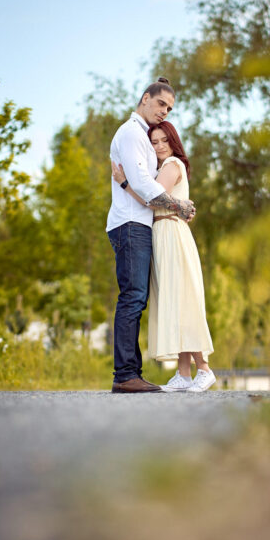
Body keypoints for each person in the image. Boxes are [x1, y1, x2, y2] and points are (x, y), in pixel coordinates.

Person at [107, 78, 196, 394]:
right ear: (145, 99)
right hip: (130, 224)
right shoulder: (131, 133)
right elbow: (144, 185)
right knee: (132, 297)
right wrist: (178, 204)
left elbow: (143, 184)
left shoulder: (143, 137)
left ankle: (131, 372)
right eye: (161, 104)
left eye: (170, 108)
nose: (165, 111)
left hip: (139, 224)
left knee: (137, 297)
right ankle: (126, 375)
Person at [113, 121, 216, 392]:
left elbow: (151, 199)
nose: (159, 146)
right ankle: (183, 374)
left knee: (184, 301)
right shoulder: (161, 167)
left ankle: (203, 369)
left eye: (163, 141)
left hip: (172, 233)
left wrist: (124, 183)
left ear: (173, 142)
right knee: (173, 301)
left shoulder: (171, 165)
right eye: (154, 142)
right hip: (162, 234)